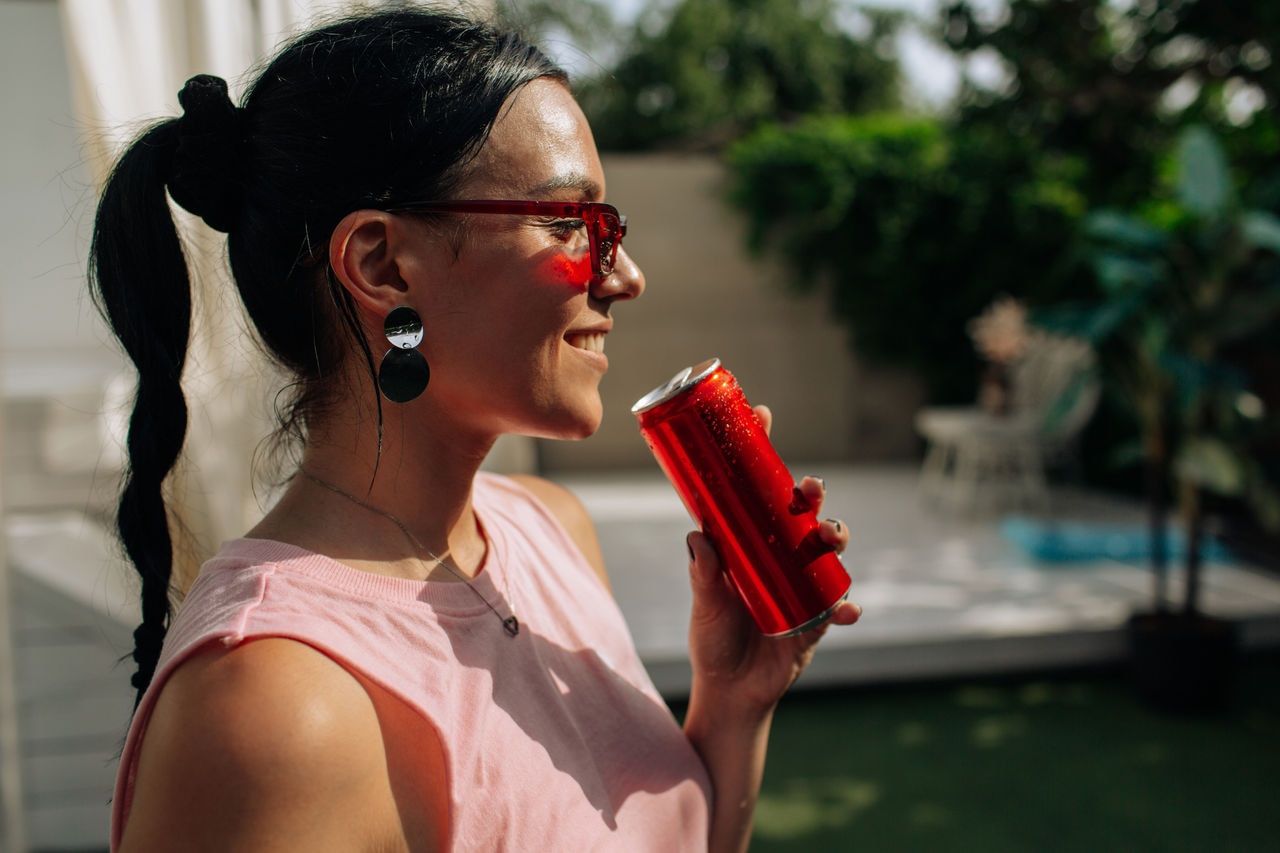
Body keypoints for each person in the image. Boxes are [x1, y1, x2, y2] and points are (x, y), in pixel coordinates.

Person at [90, 8, 861, 852]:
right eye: (572, 222)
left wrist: (734, 697)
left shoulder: (548, 529)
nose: (626, 277)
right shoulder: (277, 704)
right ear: (381, 264)